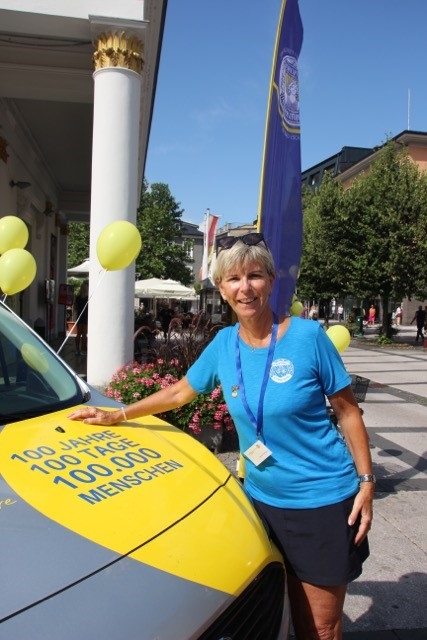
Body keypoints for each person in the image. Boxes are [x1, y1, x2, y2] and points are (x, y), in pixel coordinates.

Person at [69, 233, 373, 640]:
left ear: (270, 281)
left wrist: (366, 482)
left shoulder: (307, 337)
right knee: (277, 614)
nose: (245, 287)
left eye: (255, 275)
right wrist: (118, 414)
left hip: (320, 502)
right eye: (234, 278)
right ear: (221, 288)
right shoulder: (224, 344)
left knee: (319, 627)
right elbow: (179, 392)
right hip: (259, 503)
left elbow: (348, 412)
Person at [73, 280, 88, 356]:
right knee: (84, 334)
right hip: (86, 317)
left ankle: (77, 349)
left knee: (78, 334)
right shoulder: (88, 298)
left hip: (79, 316)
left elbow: (75, 307)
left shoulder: (78, 298)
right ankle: (83, 350)